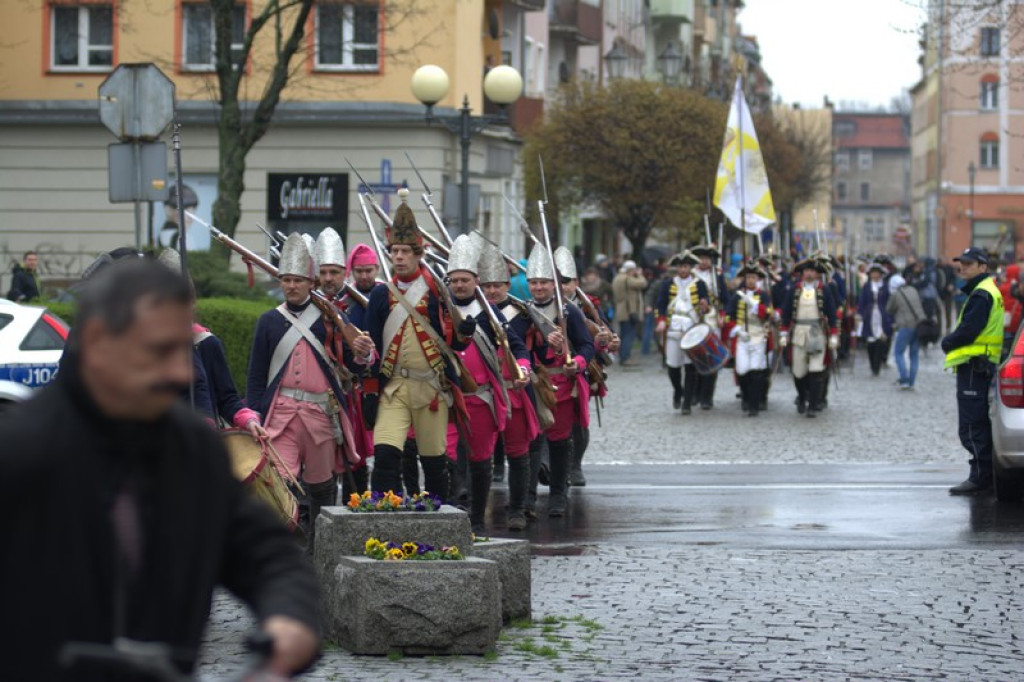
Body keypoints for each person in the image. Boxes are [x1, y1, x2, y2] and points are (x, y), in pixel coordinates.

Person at [0, 258, 319, 680]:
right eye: (159, 351)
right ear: (97, 342)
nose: (181, 371)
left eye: (182, 349)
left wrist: (288, 621)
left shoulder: (193, 450)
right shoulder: (19, 451)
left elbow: (271, 555)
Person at [246, 234, 374, 550]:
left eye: (298, 280)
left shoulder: (331, 317)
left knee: (321, 486)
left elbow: (353, 367)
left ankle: (319, 548)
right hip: (281, 413)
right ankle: (280, 549)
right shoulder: (269, 321)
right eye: (286, 279)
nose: (291, 286)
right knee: (280, 482)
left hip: (320, 414)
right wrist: (253, 416)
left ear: (310, 281)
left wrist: (362, 353)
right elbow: (256, 375)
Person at [364, 188, 473, 501]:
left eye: (404, 251)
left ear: (417, 254)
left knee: (435, 462)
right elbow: (372, 350)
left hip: (431, 390)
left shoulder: (437, 290)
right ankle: (382, 518)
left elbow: (452, 341)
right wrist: (370, 391)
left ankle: (441, 519)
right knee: (384, 455)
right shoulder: (380, 296)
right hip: (393, 388)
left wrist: (465, 332)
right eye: (394, 251)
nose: (398, 257)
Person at [444, 234, 530, 532]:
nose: (459, 285)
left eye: (464, 280)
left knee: (481, 460)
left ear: (475, 280)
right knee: (446, 457)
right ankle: (450, 512)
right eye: (454, 280)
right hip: (445, 397)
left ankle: (477, 520)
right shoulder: (441, 310)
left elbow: (517, 348)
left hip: (479, 398)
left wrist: (521, 367)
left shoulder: (490, 314)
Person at [523, 242, 595, 517]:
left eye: (543, 282)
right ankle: (528, 499)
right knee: (532, 442)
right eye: (534, 283)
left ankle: (558, 495)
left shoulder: (570, 312)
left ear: (553, 284)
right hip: (533, 384)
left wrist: (576, 363)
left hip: (562, 385)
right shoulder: (524, 311)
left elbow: (586, 345)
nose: (539, 287)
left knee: (560, 441)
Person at [479, 241, 540, 530]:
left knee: (517, 452)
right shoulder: (472, 313)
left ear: (508, 285)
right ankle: (469, 505)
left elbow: (527, 349)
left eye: (498, 285)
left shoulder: (522, 313)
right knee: (477, 453)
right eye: (487, 285)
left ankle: (517, 508)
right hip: (482, 392)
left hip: (514, 390)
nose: (492, 291)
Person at [942, 247, 1005, 495]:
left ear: (983, 267)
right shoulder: (985, 290)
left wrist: (948, 342)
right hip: (979, 363)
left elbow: (970, 329)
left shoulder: (981, 294)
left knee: (972, 423)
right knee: (978, 420)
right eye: (961, 263)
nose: (963, 268)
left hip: (974, 364)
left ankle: (980, 476)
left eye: (969, 264)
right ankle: (984, 473)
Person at [780, 257, 838, 418]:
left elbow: (832, 314)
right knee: (798, 371)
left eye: (812, 271)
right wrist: (784, 332)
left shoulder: (824, 290)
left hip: (817, 332)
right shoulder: (794, 289)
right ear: (802, 273)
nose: (809, 274)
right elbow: (786, 313)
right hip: (799, 332)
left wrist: (833, 335)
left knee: (816, 369)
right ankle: (802, 397)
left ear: (817, 274)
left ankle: (813, 404)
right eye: (807, 271)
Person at [655, 251, 708, 414]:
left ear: (690, 267)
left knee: (690, 366)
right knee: (673, 365)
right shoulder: (668, 284)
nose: (683, 269)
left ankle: (687, 401)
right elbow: (661, 305)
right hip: (673, 328)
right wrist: (661, 321)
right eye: (680, 266)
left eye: (686, 266)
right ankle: (678, 390)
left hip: (691, 329)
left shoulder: (699, 284)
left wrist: (705, 306)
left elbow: (706, 305)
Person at [724, 262, 774, 417]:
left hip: (758, 336)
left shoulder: (764, 295)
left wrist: (753, 305)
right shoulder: (736, 296)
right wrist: (737, 329)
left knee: (756, 371)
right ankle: (745, 396)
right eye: (748, 277)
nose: (751, 280)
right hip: (742, 337)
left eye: (753, 277)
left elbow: (767, 314)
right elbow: (728, 317)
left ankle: (754, 404)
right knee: (742, 370)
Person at [886, 274, 926, 390]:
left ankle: (904, 379)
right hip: (918, 325)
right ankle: (911, 381)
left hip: (905, 326)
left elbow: (889, 309)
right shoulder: (913, 290)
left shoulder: (895, 294)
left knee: (898, 352)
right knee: (914, 355)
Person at [857, 263, 892, 376]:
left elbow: (889, 302)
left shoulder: (885, 286)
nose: (875, 275)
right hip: (869, 315)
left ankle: (877, 365)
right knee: (870, 341)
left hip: (882, 315)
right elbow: (862, 301)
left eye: (877, 273)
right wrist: (859, 314)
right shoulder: (867, 287)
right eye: (873, 273)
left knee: (881, 341)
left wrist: (891, 317)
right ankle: (872, 363)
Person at [612, 259, 647, 366]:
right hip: (630, 311)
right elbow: (643, 283)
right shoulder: (628, 279)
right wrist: (639, 275)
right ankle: (625, 358)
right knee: (628, 335)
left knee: (623, 334)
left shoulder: (617, 278)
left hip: (621, 310)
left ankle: (623, 356)